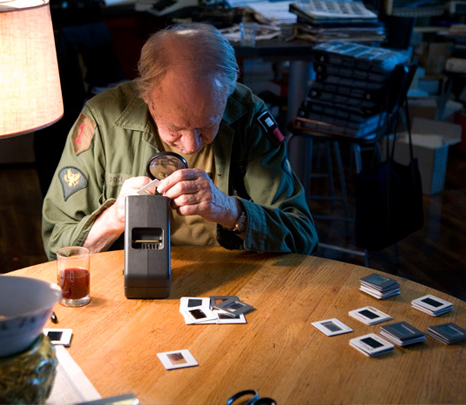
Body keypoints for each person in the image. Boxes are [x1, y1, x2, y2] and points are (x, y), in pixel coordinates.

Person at [42, 22, 318, 259]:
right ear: (147, 99)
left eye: (208, 125)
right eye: (175, 129)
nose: (191, 146)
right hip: (127, 281)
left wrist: (229, 209)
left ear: (227, 95)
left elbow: (302, 238)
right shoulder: (103, 120)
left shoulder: (247, 115)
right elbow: (57, 249)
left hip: (233, 279)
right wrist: (116, 217)